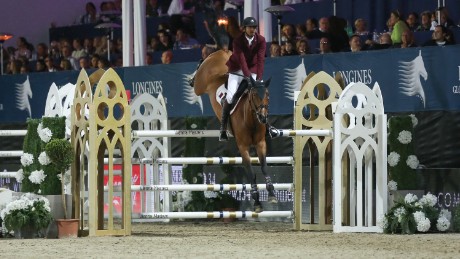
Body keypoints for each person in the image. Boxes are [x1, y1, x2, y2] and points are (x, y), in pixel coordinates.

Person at [220, 17, 278, 141]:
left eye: (254, 27)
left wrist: (258, 79)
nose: (252, 29)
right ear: (244, 28)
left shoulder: (261, 40)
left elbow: (261, 60)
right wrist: (247, 77)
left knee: (262, 93)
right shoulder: (237, 41)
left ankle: (268, 127)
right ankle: (223, 129)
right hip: (236, 69)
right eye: (250, 27)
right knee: (230, 96)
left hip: (252, 69)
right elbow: (241, 61)